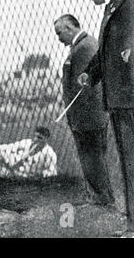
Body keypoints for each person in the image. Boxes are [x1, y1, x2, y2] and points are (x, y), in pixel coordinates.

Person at [77, 0, 134, 237]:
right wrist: (91, 73)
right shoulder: (114, 9)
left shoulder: (128, 5)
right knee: (128, 162)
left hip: (128, 99)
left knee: (131, 162)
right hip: (120, 99)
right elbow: (106, 53)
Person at [54, 14, 114, 207]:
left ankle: (104, 200)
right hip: (83, 117)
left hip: (89, 117)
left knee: (93, 159)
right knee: (89, 158)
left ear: (70, 28)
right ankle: (98, 197)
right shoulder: (79, 47)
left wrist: (78, 116)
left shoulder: (85, 47)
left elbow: (86, 88)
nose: (58, 37)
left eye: (59, 32)